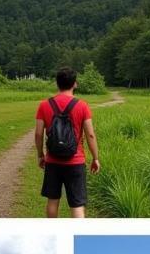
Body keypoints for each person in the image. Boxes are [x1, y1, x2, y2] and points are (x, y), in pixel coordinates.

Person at [34, 67, 100, 218]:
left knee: (52, 201)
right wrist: (95, 158)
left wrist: (40, 155)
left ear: (57, 84)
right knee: (77, 205)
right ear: (75, 84)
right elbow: (90, 135)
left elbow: (38, 134)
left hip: (52, 161)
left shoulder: (44, 105)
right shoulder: (82, 105)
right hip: (75, 162)